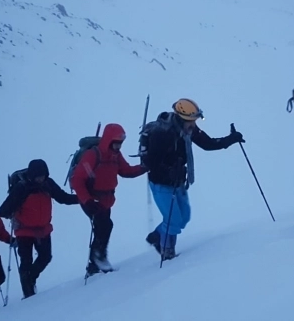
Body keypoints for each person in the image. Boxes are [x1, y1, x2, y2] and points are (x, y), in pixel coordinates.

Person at [142, 98, 244, 260]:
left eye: (195, 121)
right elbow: (151, 163)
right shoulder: (162, 134)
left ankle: (157, 236)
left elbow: (208, 144)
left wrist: (231, 139)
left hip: (178, 182)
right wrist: (169, 171)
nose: (194, 125)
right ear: (181, 119)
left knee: (184, 218)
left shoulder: (188, 129)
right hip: (161, 183)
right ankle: (167, 252)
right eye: (191, 121)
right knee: (173, 220)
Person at [70, 123, 148, 276]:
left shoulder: (115, 155)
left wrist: (144, 167)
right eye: (116, 143)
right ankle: (99, 257)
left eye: (120, 144)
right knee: (104, 225)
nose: (118, 147)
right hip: (91, 198)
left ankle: (94, 266)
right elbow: (77, 180)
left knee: (102, 226)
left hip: (106, 199)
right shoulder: (93, 155)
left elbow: (126, 171)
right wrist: (87, 200)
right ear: (108, 140)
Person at [0, 159, 78, 299]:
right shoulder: (21, 188)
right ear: (32, 175)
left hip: (43, 230)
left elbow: (62, 197)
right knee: (26, 261)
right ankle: (28, 294)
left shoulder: (48, 184)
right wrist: (11, 212)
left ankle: (30, 279)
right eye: (38, 176)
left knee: (45, 257)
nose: (41, 179)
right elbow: (3, 210)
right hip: (24, 231)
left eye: (43, 175)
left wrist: (82, 198)